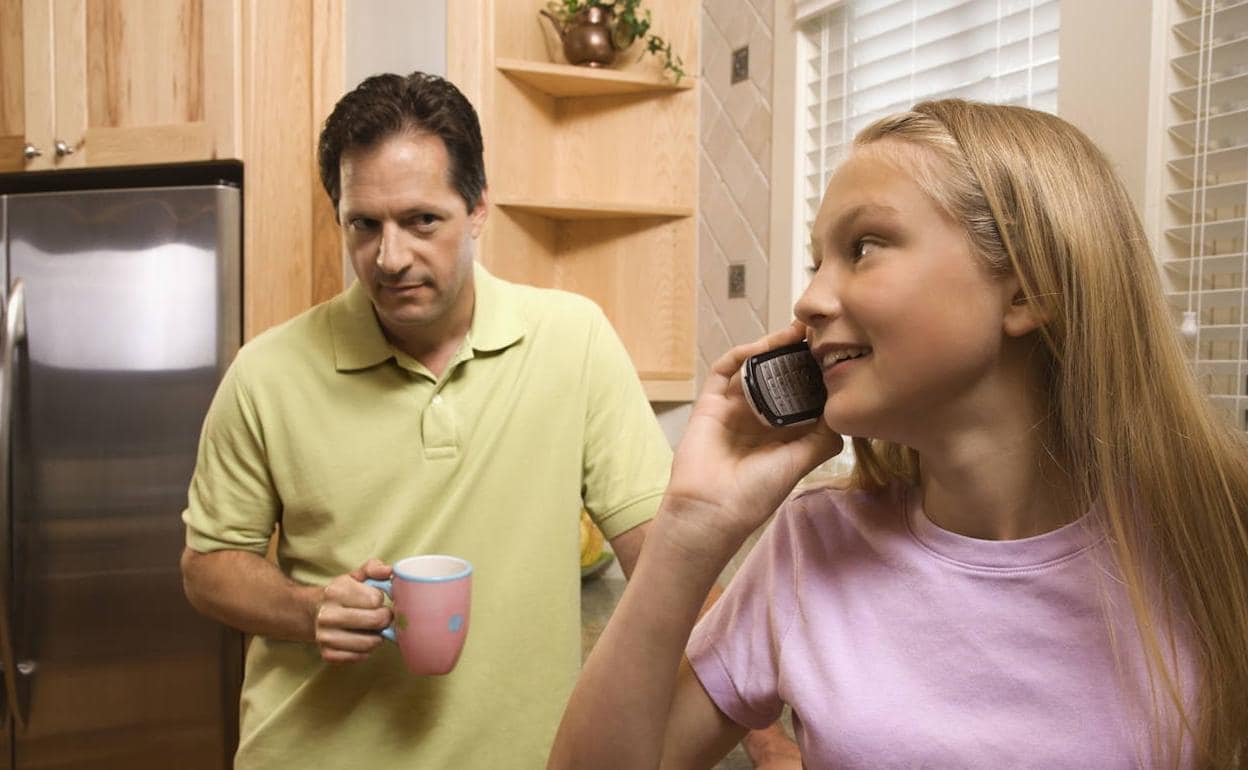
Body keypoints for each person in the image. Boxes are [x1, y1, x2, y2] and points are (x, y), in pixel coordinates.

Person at [547, 99, 1248, 769]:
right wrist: (689, 527)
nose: (811, 299)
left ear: (1028, 287)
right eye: (818, 259)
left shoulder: (1217, 538)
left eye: (865, 246)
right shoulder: (813, 550)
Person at [178, 71, 678, 768]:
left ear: (477, 209)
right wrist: (310, 608)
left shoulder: (574, 339)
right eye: (365, 225)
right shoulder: (266, 373)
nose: (389, 259)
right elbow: (208, 568)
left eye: (421, 221)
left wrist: (763, 725)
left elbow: (662, 559)